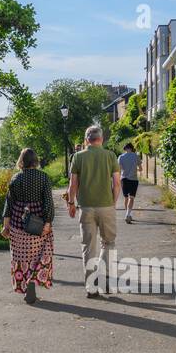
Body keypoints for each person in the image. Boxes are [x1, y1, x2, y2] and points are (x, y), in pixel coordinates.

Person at [67, 125, 121, 299]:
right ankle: (105, 281)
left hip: (86, 207)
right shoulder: (110, 156)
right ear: (101, 139)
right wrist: (112, 202)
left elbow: (73, 184)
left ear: (86, 140)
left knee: (88, 247)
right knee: (108, 243)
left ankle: (91, 287)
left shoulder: (78, 157)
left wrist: (71, 203)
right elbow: (117, 183)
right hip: (106, 206)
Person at [2, 148, 55, 305]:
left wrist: (6, 226)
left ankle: (27, 289)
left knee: (21, 258)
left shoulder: (15, 178)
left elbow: (8, 204)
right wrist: (48, 222)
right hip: (38, 224)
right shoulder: (43, 177)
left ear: (21, 161)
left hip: (18, 223)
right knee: (40, 255)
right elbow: (48, 203)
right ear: (35, 161)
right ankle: (31, 287)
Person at [118, 142, 140, 224]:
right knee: (131, 197)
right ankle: (128, 214)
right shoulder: (136, 156)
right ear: (131, 148)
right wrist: (134, 169)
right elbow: (140, 169)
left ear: (125, 149)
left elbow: (119, 169)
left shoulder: (121, 157)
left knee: (126, 198)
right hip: (133, 179)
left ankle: (126, 214)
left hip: (124, 179)